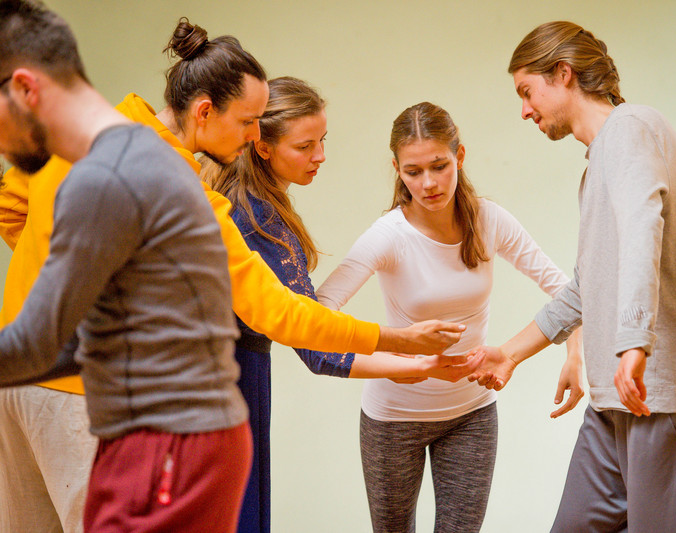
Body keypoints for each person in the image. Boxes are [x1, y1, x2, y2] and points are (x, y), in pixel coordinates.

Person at [0, 16, 464, 533]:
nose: (253, 136)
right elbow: (282, 314)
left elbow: (12, 209)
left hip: (16, 388)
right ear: (204, 112)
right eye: (248, 122)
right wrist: (400, 340)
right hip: (84, 398)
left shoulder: (85, 135)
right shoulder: (187, 194)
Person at [469, 20, 676, 533]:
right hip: (615, 398)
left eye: (528, 92)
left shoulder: (632, 128)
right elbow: (587, 284)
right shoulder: (601, 157)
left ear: (563, 73)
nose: (525, 110)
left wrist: (634, 341)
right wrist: (510, 351)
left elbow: (645, 228)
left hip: (666, 392)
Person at [0, 1, 253, 531]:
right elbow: (77, 342)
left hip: (171, 444)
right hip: (167, 440)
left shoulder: (105, 177)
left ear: (24, 88)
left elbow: (37, 342)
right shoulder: (129, 157)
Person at [205, 76, 483, 533]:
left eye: (323, 141)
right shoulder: (254, 220)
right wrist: (411, 359)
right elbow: (317, 348)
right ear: (263, 147)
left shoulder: (256, 207)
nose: (320, 156)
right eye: (305, 145)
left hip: (236, 371)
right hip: (230, 376)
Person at [316, 101, 581, 533]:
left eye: (439, 166)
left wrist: (574, 354)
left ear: (459, 156)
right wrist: (396, 344)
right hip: (393, 418)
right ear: (398, 171)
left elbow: (568, 289)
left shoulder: (489, 219)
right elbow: (318, 314)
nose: (429, 183)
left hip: (472, 414)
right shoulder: (389, 235)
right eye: (413, 171)